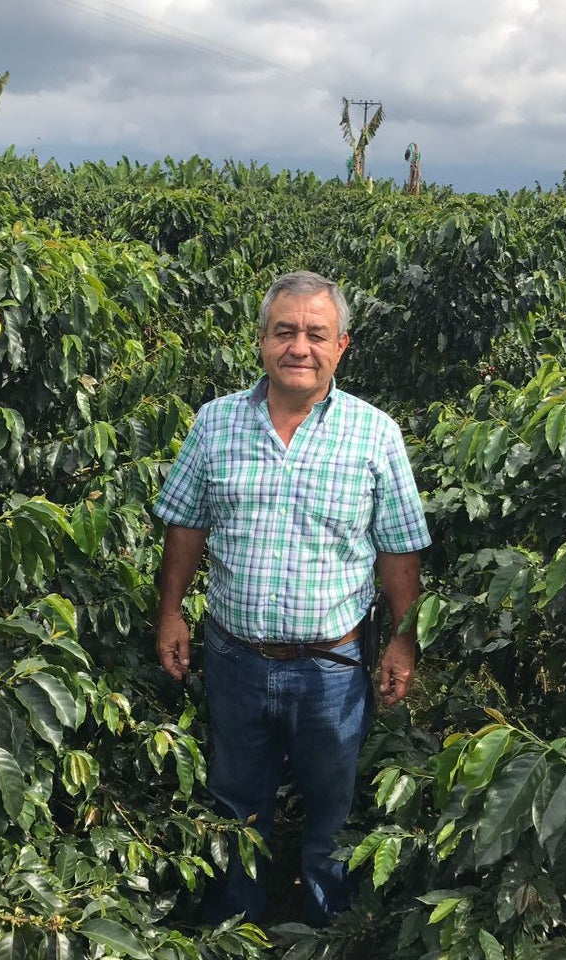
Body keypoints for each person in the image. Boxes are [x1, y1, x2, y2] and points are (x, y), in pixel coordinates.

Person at [152, 270, 430, 926]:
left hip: (330, 669)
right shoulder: (216, 423)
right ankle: (235, 923)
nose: (298, 347)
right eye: (285, 332)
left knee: (331, 806)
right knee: (233, 800)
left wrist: (403, 637)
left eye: (315, 334)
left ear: (342, 346)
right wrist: (170, 611)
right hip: (235, 658)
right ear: (261, 342)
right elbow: (186, 523)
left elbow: (398, 546)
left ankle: (328, 926)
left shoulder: (373, 434)